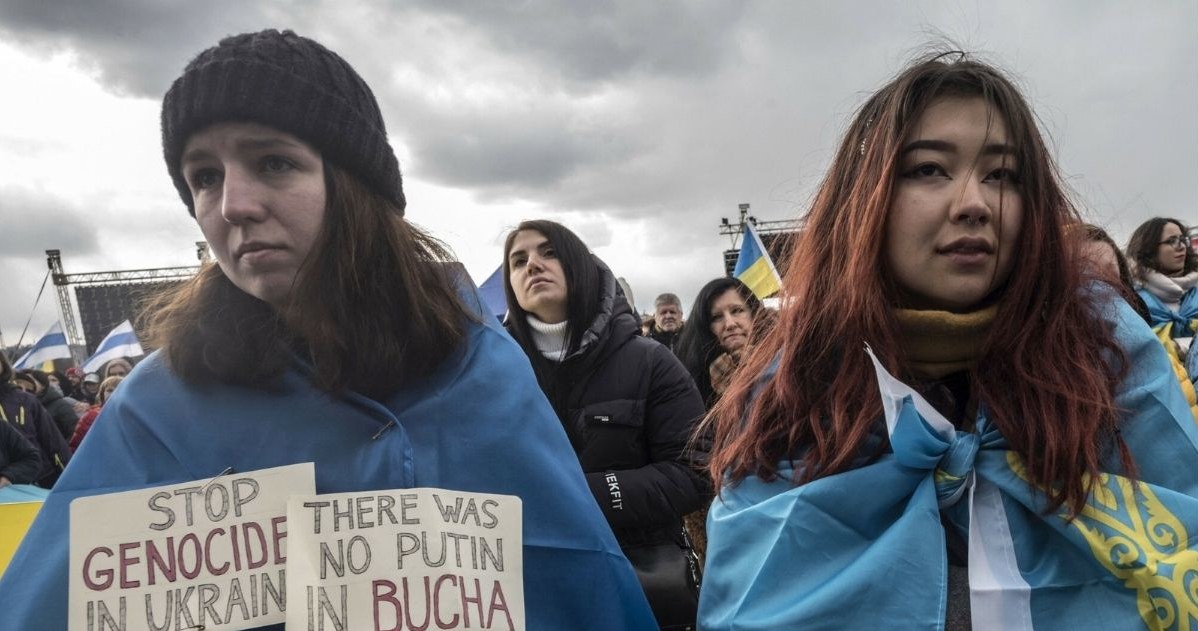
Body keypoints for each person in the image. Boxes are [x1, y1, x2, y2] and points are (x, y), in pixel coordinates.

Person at [0, 29, 656, 631]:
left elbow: (580, 582)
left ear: (353, 186)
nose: (233, 204)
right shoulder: (156, 407)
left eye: (275, 162)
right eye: (204, 176)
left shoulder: (483, 368)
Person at [698, 53, 1198, 630]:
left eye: (1003, 175)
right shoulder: (794, 388)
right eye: (929, 169)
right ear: (868, 199)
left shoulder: (1104, 354)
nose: (973, 204)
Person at [502, 219, 708, 629]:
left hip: (638, 583)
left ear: (581, 265)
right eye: (518, 260)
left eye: (549, 252)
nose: (533, 265)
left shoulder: (651, 362)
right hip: (531, 590)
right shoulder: (495, 370)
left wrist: (590, 495)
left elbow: (693, 471)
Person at [675, 278, 764, 407]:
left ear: (753, 312)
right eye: (717, 317)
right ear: (705, 326)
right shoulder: (691, 380)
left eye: (737, 311)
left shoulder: (786, 357)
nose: (730, 324)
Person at [1127, 217, 1198, 359]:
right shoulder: (1133, 302)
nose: (1182, 246)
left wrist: (1182, 347)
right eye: (1172, 241)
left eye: (1183, 239)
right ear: (1149, 249)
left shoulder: (1195, 291)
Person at [0, 354, 70, 488]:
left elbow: (53, 441)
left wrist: (69, 475)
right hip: (5, 488)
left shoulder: (26, 400)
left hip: (40, 480)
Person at [16, 369, 81, 440]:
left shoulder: (60, 405)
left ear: (43, 384)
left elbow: (75, 431)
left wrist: (64, 448)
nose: (25, 386)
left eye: (31, 381)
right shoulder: (22, 408)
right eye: (20, 383)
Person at [68, 375, 122, 451]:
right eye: (109, 390)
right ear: (102, 393)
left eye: (118, 389)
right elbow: (76, 446)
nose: (113, 393)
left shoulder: (131, 416)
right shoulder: (91, 416)